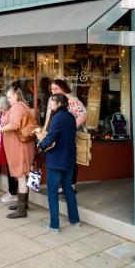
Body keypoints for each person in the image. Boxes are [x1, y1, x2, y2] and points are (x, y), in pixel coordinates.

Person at [38, 93, 81, 234]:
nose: (50, 105)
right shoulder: (70, 117)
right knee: (68, 189)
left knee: (52, 192)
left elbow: (51, 136)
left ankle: (54, 225)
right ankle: (75, 220)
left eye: (51, 102)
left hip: (56, 160)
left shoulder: (57, 117)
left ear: (57, 103)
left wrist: (41, 145)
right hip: (69, 160)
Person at [0, 87, 35, 219]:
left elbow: (15, 124)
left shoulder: (17, 107)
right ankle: (23, 204)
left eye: (9, 97)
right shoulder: (23, 106)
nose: (8, 100)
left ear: (16, 96)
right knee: (22, 176)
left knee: (21, 176)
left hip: (19, 147)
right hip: (22, 146)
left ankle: (22, 210)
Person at [45, 79, 87, 193]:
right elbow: (49, 115)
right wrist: (47, 130)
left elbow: (82, 114)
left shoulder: (71, 99)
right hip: (55, 132)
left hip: (68, 134)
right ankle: (61, 184)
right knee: (58, 156)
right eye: (52, 89)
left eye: (56, 89)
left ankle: (71, 184)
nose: (54, 91)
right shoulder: (51, 99)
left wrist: (71, 127)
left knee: (70, 157)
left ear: (63, 88)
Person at [0, 96, 18, 203]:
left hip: (10, 144)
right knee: (8, 168)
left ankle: (13, 192)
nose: (2, 111)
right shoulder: (3, 114)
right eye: (1, 109)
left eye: (4, 109)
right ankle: (11, 191)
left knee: (12, 169)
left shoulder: (11, 114)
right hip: (4, 143)